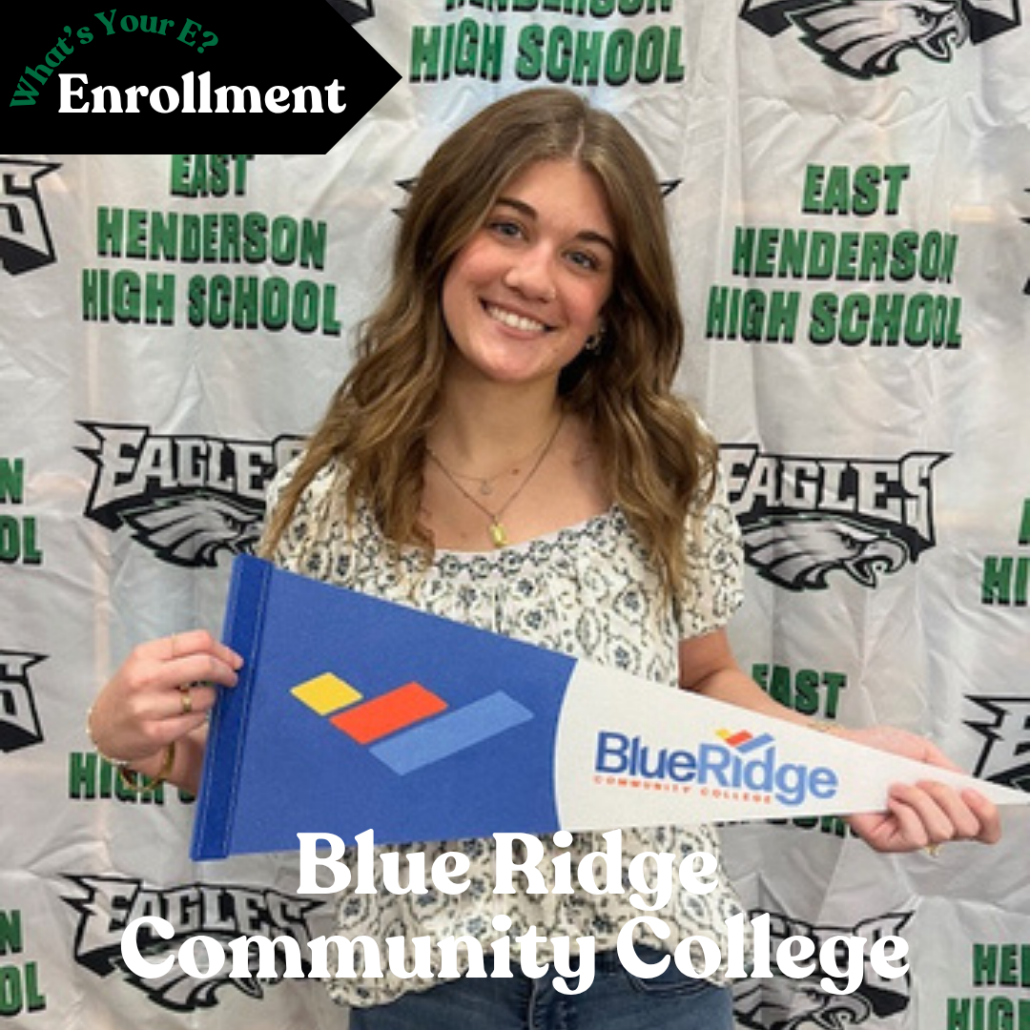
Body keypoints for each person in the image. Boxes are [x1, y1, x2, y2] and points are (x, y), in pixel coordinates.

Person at [87, 88, 1000, 1028]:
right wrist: (147, 743)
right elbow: (299, 756)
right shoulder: (332, 499)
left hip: (654, 979)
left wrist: (842, 763)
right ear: (443, 239)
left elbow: (701, 681)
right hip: (428, 992)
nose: (534, 277)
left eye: (581, 257)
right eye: (508, 228)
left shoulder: (665, 464)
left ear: (610, 302)